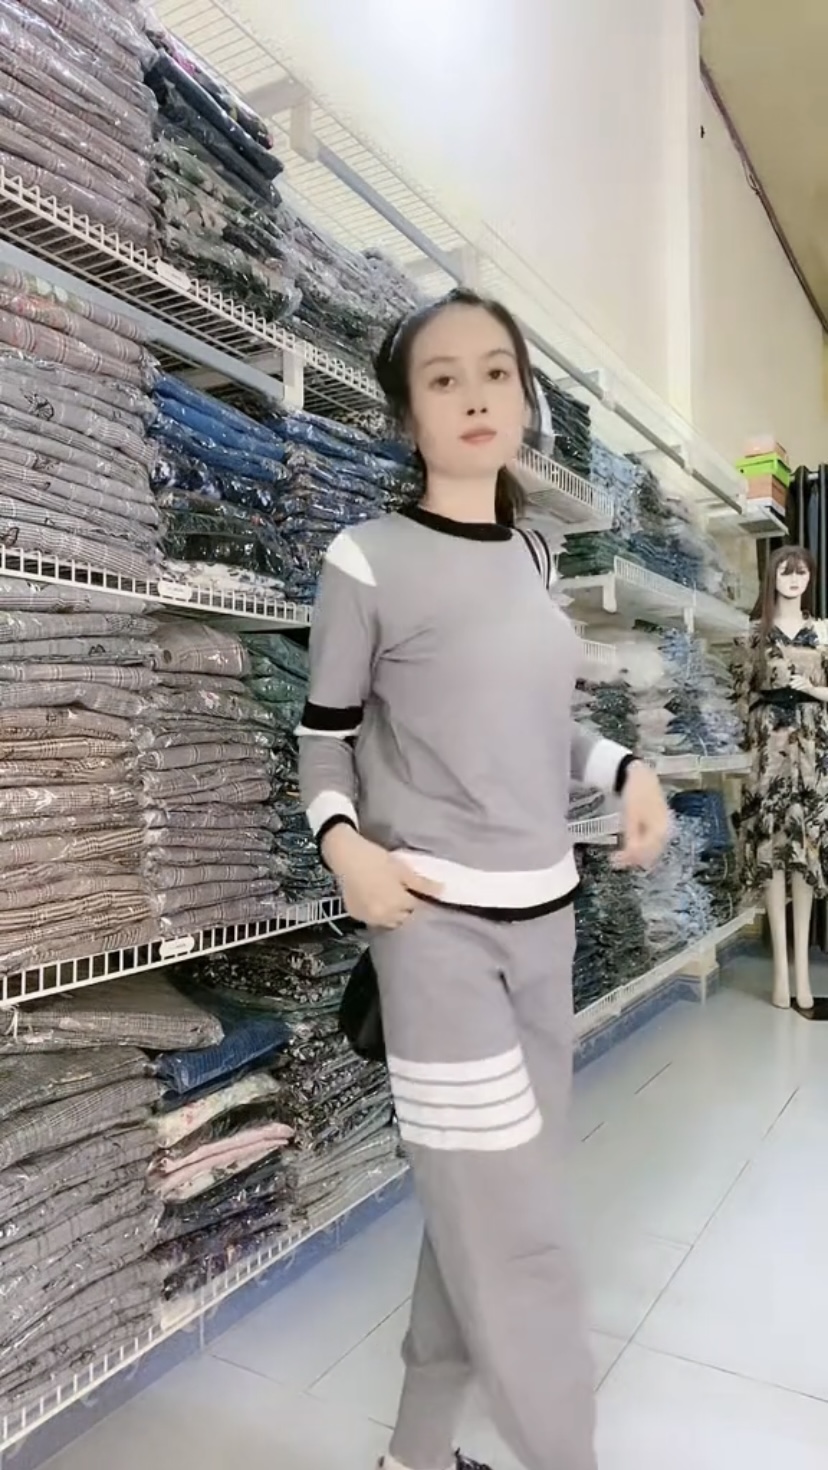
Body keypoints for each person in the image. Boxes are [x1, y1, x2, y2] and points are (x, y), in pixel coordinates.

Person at [298, 288, 669, 1470]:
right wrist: (345, 846)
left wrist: (624, 769)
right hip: (436, 939)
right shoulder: (366, 559)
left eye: (496, 372)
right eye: (443, 377)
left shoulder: (534, 552)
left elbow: (537, 724)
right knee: (520, 1239)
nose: (474, 395)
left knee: (487, 1211)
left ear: (524, 396)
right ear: (408, 413)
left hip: (545, 926)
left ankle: (413, 1455)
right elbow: (322, 739)